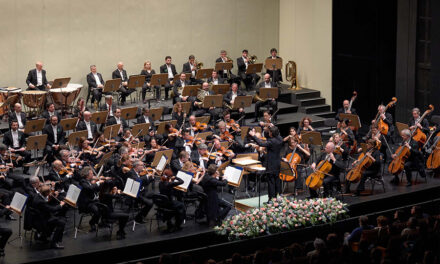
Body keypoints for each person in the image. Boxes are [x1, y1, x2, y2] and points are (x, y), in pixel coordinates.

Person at [249, 126, 284, 200]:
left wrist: (253, 135)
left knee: (271, 182)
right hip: (277, 162)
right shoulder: (280, 139)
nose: (269, 133)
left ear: (272, 133)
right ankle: (278, 196)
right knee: (277, 180)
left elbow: (261, 143)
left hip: (271, 164)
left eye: (270, 132)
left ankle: (271, 199)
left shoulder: (272, 142)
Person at [77, 166, 103, 232]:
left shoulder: (89, 181)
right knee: (97, 210)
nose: (93, 175)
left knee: (103, 206)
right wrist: (97, 183)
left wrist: (100, 184)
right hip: (86, 204)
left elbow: (95, 189)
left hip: (92, 200)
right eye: (92, 173)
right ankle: (92, 223)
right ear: (87, 175)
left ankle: (103, 221)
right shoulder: (82, 181)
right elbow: (89, 188)